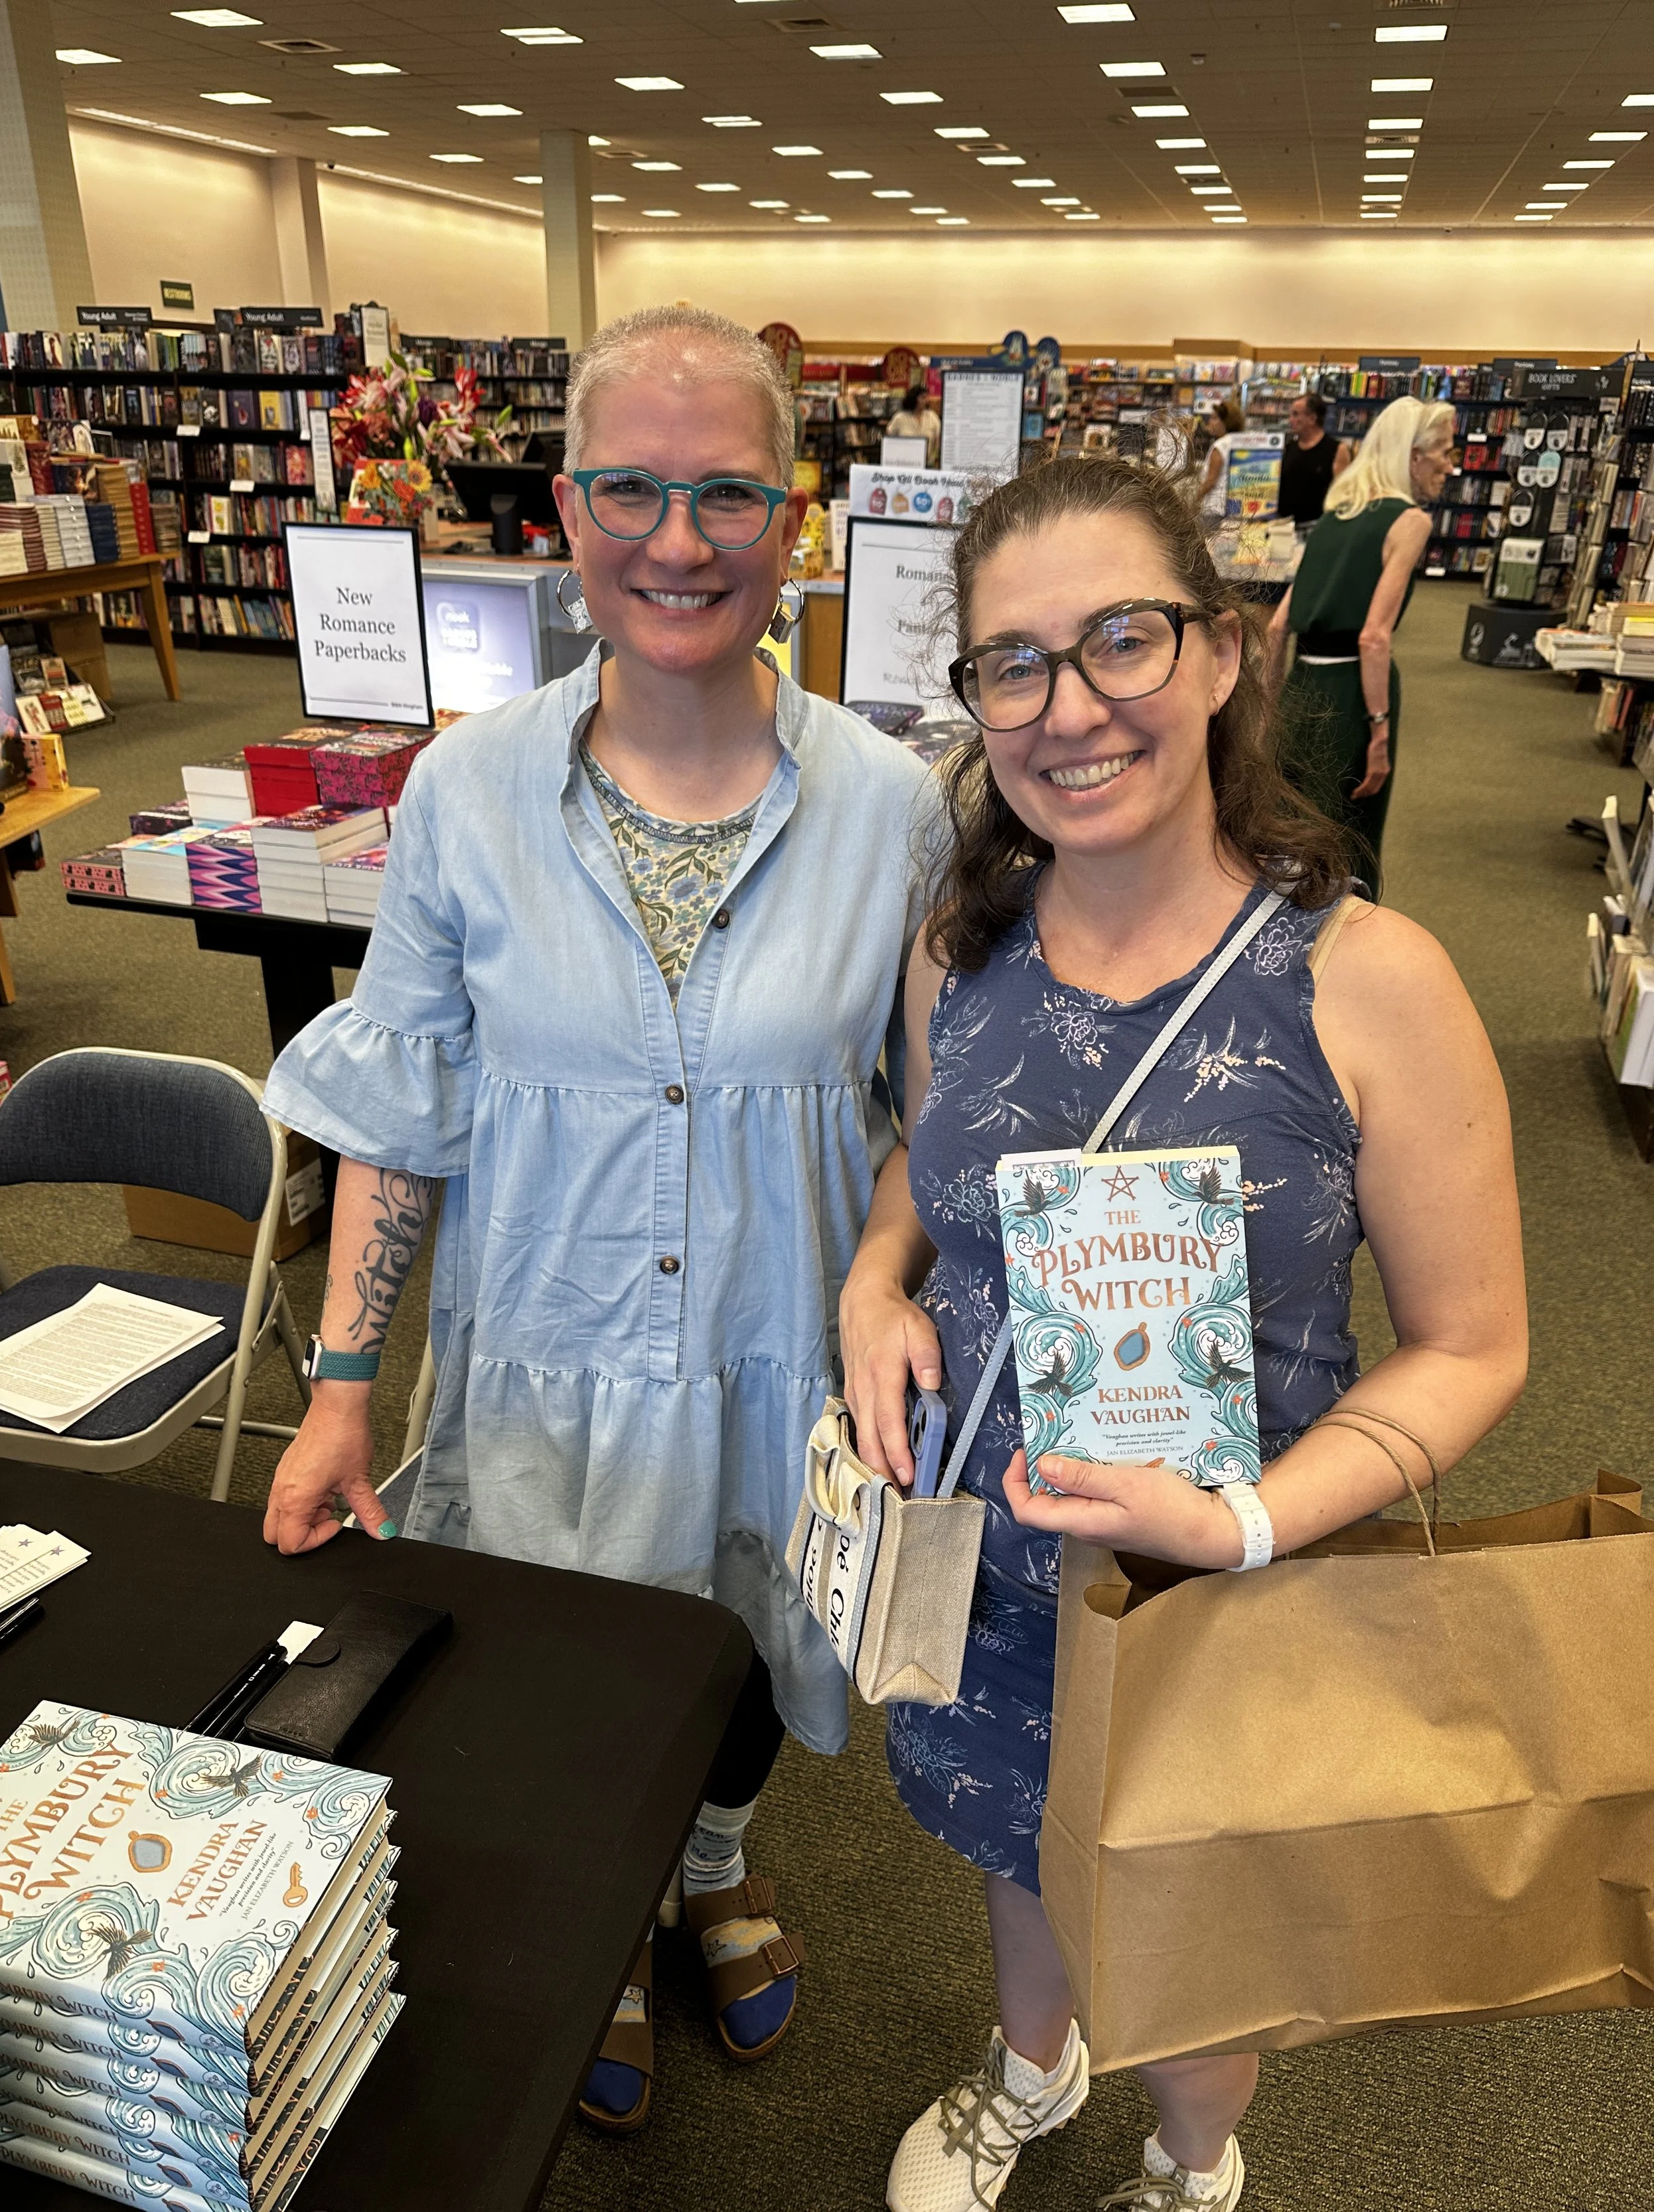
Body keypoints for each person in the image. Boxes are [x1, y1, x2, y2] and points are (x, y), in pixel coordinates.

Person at [259, 305, 931, 2133]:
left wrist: (881, 1271)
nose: (677, 540)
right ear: (566, 508)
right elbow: (398, 1107)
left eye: (724, 492)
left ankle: (711, 1860)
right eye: (630, 487)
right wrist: (337, 1384)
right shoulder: (466, 790)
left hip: (773, 1353)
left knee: (741, 1639)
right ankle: (616, 1898)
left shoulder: (891, 810)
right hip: (538, 1346)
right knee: (561, 1636)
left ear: (791, 519)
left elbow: (923, 1117)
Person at [838, 452, 1526, 2212]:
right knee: (1013, 1835)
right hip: (984, 1539)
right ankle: (1032, 2062)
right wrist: (872, 1272)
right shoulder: (957, 945)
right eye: (1013, 662)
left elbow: (1470, 1342)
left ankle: (1188, 2157)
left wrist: (1241, 1522)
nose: (1067, 708)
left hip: (1235, 1569)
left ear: (1222, 654)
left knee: (1203, 1884)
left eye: (1119, 640)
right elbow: (938, 1153)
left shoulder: (1368, 977)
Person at [1267, 395, 1456, 885]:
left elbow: (1275, 627)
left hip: (1302, 686)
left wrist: (1272, 704)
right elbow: (1374, 636)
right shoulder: (1410, 522)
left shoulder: (1336, 516)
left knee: (1295, 829)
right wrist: (1379, 730)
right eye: (1446, 453)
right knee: (1351, 836)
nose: (1451, 467)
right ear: (1414, 456)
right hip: (1352, 692)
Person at [1275, 390, 1351, 526]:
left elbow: (1342, 493)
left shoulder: (1337, 449)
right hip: (1284, 526)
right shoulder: (1289, 448)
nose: (1290, 420)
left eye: (1296, 415)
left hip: (1317, 526)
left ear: (1312, 418)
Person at [1195, 396, 1247, 528]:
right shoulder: (1240, 442)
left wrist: (1195, 500)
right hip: (1235, 506)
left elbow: (1211, 481)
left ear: (1226, 422)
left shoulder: (1220, 446)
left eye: (1214, 419)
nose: (1210, 423)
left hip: (1214, 508)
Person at [889, 380, 942, 466]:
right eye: (923, 398)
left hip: (927, 464)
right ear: (914, 398)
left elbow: (938, 440)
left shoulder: (932, 417)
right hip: (904, 463)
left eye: (927, 397)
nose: (926, 400)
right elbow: (889, 441)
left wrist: (934, 458)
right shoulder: (900, 418)